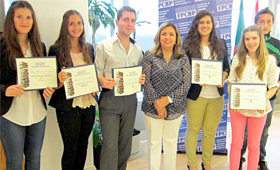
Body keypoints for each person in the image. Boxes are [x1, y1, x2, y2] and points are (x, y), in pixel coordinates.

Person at [0, 1, 54, 169]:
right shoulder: (1, 45)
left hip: (37, 113)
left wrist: (47, 86)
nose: (25, 21)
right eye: (20, 17)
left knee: (34, 159)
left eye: (28, 17)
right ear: (11, 19)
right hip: (11, 113)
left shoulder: (39, 46)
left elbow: (43, 78)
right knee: (15, 162)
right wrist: (5, 90)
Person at [95, 6, 145, 170]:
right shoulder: (103, 46)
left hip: (130, 101)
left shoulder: (137, 50)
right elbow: (96, 73)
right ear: (117, 22)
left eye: (132, 20)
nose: (129, 24)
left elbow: (139, 74)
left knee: (125, 145)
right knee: (110, 146)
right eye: (125, 20)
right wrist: (102, 81)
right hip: (110, 100)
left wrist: (141, 79)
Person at [48, 10, 97, 170]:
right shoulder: (55, 50)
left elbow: (93, 74)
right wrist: (59, 80)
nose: (76, 27)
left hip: (88, 104)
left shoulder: (89, 48)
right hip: (68, 106)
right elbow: (51, 81)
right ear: (65, 26)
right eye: (72, 23)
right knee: (70, 149)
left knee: (83, 146)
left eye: (79, 23)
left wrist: (95, 87)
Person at [183, 10, 230, 170]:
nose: (205, 25)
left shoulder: (221, 44)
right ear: (196, 24)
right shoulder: (187, 45)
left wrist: (223, 77)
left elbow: (226, 67)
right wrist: (195, 79)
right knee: (193, 131)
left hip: (216, 96)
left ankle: (207, 164)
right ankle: (192, 165)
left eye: (208, 22)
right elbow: (184, 70)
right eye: (201, 22)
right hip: (196, 95)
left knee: (210, 132)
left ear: (212, 25)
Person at [141, 22, 191, 170]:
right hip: (152, 107)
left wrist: (167, 100)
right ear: (159, 36)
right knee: (154, 143)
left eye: (171, 34)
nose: (167, 37)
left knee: (170, 142)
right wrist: (158, 103)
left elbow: (185, 84)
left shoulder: (183, 58)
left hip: (175, 107)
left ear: (176, 38)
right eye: (164, 34)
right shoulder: (149, 56)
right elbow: (146, 81)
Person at [228, 25, 278, 170]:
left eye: (254, 38)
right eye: (247, 39)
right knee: (236, 144)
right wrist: (234, 100)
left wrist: (263, 100)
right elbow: (231, 81)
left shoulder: (270, 61)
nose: (251, 42)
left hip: (259, 108)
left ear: (260, 39)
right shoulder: (238, 59)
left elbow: (273, 86)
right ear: (243, 41)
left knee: (254, 145)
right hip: (238, 108)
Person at [239, 8, 280, 170]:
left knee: (263, 129)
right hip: (245, 97)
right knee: (245, 130)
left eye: (268, 21)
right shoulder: (247, 43)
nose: (265, 24)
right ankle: (240, 156)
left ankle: (260, 159)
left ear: (272, 23)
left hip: (268, 96)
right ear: (256, 23)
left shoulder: (277, 45)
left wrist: (277, 85)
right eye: (261, 21)